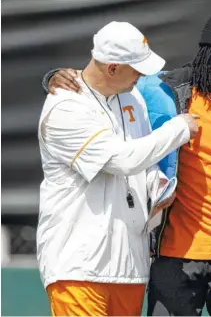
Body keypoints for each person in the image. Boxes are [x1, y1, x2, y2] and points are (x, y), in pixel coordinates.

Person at [43, 9, 211, 316]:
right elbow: (107, 81)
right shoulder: (159, 93)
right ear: (207, 52)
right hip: (171, 259)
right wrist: (57, 77)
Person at [37, 21, 199, 317]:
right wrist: (179, 129)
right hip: (78, 269)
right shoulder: (65, 107)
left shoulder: (133, 96)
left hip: (130, 267)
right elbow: (122, 160)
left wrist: (158, 187)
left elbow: (143, 162)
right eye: (136, 67)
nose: (142, 75)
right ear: (112, 68)